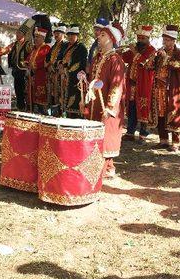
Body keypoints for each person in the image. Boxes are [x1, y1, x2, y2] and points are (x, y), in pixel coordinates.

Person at [86, 22, 126, 178]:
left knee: (107, 133)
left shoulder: (116, 60)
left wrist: (110, 106)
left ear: (111, 38)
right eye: (99, 34)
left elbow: (116, 85)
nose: (99, 37)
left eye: (103, 35)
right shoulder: (98, 57)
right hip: (95, 102)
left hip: (108, 105)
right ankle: (103, 166)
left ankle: (107, 167)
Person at [153, 25, 180, 152]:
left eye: (167, 40)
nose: (165, 43)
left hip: (174, 89)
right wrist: (154, 58)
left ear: (173, 41)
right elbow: (154, 67)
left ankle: (175, 142)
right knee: (161, 114)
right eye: (164, 40)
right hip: (160, 89)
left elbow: (178, 65)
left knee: (174, 113)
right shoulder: (161, 52)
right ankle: (163, 140)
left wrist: (166, 57)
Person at [122, 25, 155, 141]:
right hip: (131, 84)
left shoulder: (151, 50)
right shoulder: (135, 48)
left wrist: (134, 51)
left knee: (143, 106)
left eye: (142, 39)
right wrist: (118, 51)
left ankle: (143, 133)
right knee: (131, 107)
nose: (140, 41)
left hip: (144, 84)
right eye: (139, 38)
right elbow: (124, 57)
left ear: (147, 39)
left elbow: (143, 61)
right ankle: (130, 132)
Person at [0, 29, 30, 111]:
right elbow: (6, 49)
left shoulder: (28, 44)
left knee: (25, 89)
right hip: (16, 71)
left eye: (19, 33)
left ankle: (28, 107)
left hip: (24, 71)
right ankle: (20, 107)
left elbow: (32, 53)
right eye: (16, 33)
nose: (17, 34)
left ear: (24, 35)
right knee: (17, 89)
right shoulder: (14, 44)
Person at [60, 24, 88, 118]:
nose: (70, 37)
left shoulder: (81, 47)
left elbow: (80, 63)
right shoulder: (67, 47)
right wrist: (61, 65)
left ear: (77, 35)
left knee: (74, 100)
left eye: (73, 35)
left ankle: (75, 118)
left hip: (76, 78)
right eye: (69, 35)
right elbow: (63, 59)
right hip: (66, 78)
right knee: (65, 99)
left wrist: (67, 71)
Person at [25, 27, 51, 114]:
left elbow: (43, 61)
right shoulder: (34, 49)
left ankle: (43, 113)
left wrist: (32, 65)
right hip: (32, 77)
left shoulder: (46, 48)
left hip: (41, 76)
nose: (35, 39)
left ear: (43, 38)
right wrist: (25, 63)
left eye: (37, 37)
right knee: (32, 97)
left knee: (40, 97)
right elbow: (28, 59)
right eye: (35, 37)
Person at [45, 23, 68, 116]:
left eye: (58, 33)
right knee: (52, 95)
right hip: (52, 75)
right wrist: (48, 65)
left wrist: (58, 65)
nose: (56, 35)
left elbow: (65, 59)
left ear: (63, 34)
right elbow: (47, 58)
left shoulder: (66, 45)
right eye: (55, 33)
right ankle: (54, 114)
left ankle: (61, 114)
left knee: (60, 94)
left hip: (60, 76)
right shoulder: (54, 46)